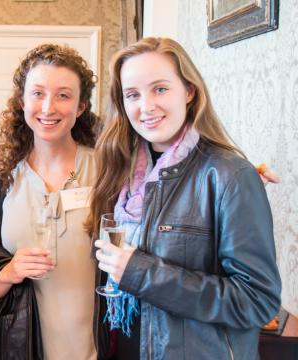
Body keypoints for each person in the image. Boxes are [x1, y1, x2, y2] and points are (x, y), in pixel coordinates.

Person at [88, 37, 281, 359]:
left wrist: (140, 272)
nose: (146, 106)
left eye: (160, 89)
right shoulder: (120, 173)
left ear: (189, 91)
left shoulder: (230, 175)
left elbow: (256, 301)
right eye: (132, 94)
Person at [0, 44, 105, 360]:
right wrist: (10, 270)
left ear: (80, 107)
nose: (48, 107)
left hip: (96, 349)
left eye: (63, 95)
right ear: (22, 102)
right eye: (38, 93)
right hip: (22, 349)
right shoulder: (2, 182)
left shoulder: (107, 171)